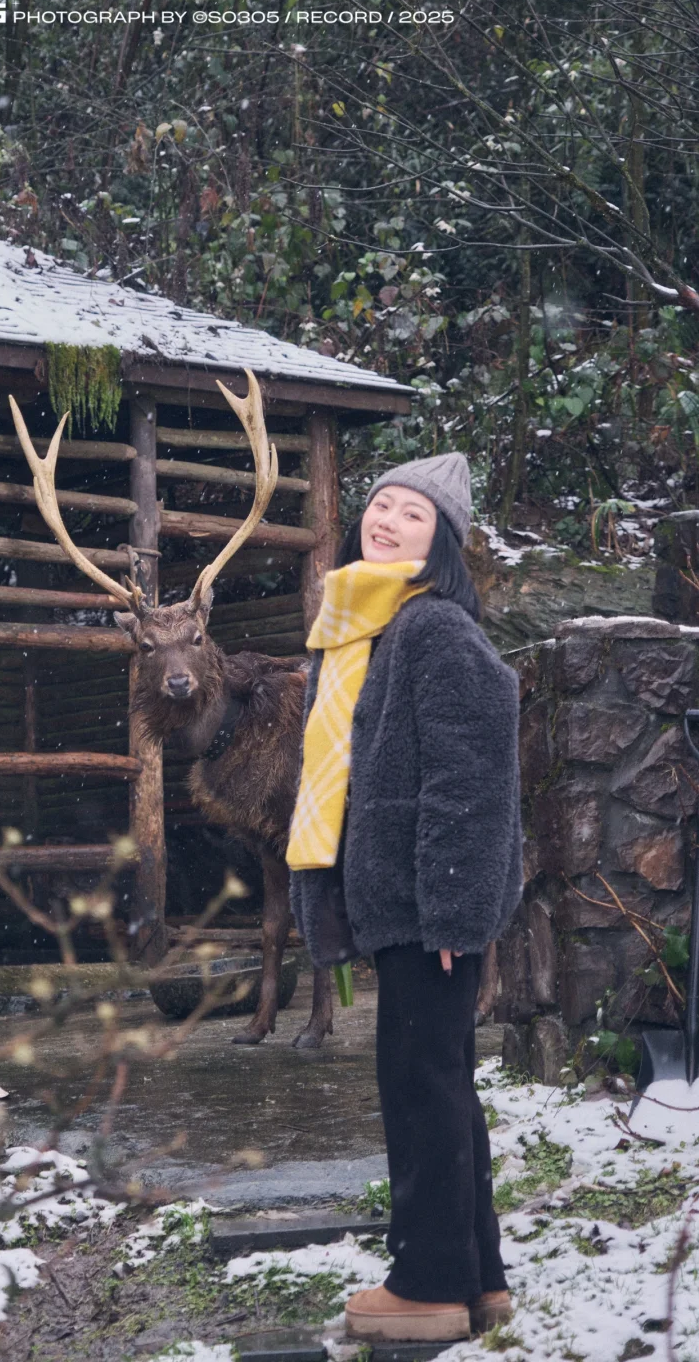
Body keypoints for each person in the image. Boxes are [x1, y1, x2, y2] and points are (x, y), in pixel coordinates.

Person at [286, 452, 523, 1346]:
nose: (386, 521)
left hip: (433, 910)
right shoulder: (366, 629)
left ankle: (427, 1286)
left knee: (420, 1089)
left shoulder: (433, 630)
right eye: (379, 507)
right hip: (408, 904)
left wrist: (456, 911)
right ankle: (478, 1276)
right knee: (441, 1086)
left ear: (442, 545)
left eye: (411, 516)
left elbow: (472, 781)